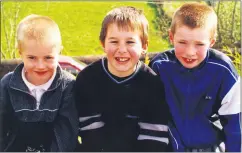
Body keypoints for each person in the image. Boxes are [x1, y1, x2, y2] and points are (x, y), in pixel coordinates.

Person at [74, 6, 171, 152]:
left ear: (144, 46)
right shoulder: (88, 79)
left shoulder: (152, 83)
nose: (122, 49)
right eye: (114, 41)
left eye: (130, 42)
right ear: (103, 44)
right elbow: (89, 132)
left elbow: (154, 135)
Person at [149, 2, 241, 152]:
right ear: (171, 37)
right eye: (182, 42)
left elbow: (235, 125)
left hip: (209, 148)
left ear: (211, 42)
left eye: (199, 44)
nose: (190, 52)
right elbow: (150, 115)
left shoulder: (223, 71)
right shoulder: (159, 67)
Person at [0, 14, 78, 152]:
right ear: (20, 53)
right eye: (32, 58)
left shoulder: (68, 86)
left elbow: (66, 134)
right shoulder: (7, 85)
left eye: (48, 57)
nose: (40, 65)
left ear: (59, 52)